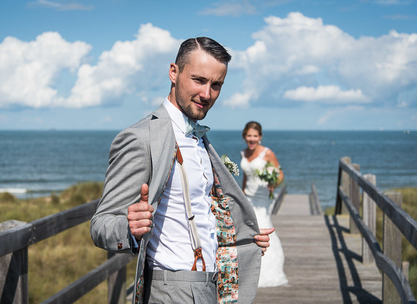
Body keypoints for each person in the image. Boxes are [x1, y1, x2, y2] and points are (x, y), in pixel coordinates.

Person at [90, 38, 274, 304]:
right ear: (173, 72)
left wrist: (246, 242)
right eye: (198, 80)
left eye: (216, 85)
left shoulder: (199, 138)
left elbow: (203, 212)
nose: (207, 94)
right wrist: (130, 229)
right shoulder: (141, 137)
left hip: (210, 285)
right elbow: (101, 224)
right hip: (171, 288)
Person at [240, 121, 288, 287]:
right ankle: (249, 268)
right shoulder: (244, 153)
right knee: (249, 231)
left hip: (262, 199)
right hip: (248, 197)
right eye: (249, 135)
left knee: (262, 227)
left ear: (260, 137)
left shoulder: (267, 153)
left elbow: (280, 174)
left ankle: (268, 270)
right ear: (245, 136)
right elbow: (246, 177)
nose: (251, 139)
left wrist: (273, 183)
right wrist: (241, 195)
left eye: (255, 135)